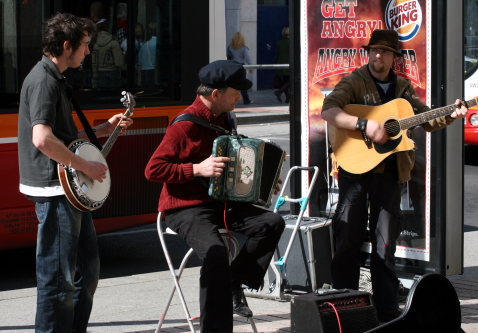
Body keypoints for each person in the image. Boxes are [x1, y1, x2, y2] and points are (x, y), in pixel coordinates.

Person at [321, 29, 468, 323]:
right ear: (368, 53)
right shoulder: (354, 81)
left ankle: (387, 308)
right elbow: (329, 111)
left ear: (393, 57)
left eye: (385, 52)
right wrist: (364, 125)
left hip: (390, 173)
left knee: (385, 242)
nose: (378, 56)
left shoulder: (402, 88)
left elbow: (426, 118)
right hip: (356, 171)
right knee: (348, 236)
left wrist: (452, 114)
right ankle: (346, 303)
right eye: (374, 50)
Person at [145, 60, 285, 333]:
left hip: (221, 202)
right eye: (235, 92)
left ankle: (233, 280)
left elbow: (232, 167)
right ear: (215, 94)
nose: (240, 97)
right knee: (216, 254)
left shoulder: (225, 119)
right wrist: (197, 168)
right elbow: (153, 169)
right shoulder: (184, 126)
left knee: (272, 223)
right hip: (185, 207)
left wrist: (259, 182)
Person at [17, 13, 133, 333]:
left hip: (69, 191)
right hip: (55, 190)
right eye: (84, 45)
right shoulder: (43, 80)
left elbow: (65, 138)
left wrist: (105, 128)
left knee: (86, 272)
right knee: (58, 282)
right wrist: (87, 167)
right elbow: (42, 139)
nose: (87, 51)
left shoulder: (56, 79)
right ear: (66, 46)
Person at [227, 32, 254, 104]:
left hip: (232, 66)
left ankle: (230, 100)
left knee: (232, 85)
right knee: (242, 84)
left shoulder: (230, 47)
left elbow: (228, 57)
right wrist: (252, 67)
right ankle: (246, 100)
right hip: (241, 67)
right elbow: (248, 58)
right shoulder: (244, 48)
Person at [274, 27, 290, 103]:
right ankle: (279, 92)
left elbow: (277, 54)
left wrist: (276, 63)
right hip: (289, 64)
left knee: (285, 81)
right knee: (290, 81)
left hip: (280, 64)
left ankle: (288, 98)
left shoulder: (279, 42)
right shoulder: (290, 42)